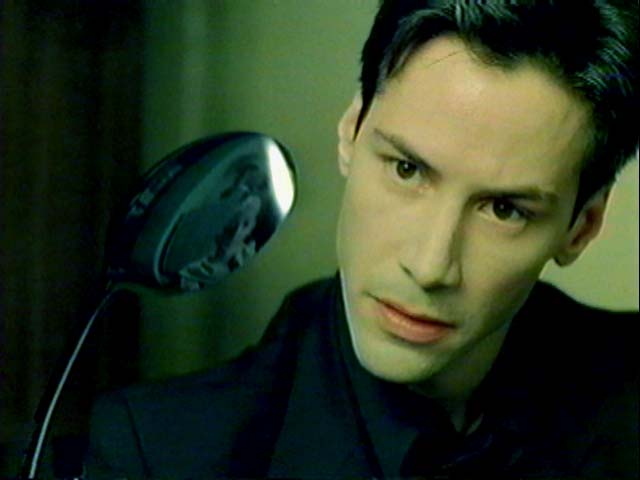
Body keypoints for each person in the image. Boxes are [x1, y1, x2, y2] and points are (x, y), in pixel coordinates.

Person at [86, 1, 638, 478]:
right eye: (406, 169)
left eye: (504, 209)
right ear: (351, 130)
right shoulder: (157, 452)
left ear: (582, 226)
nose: (429, 266)